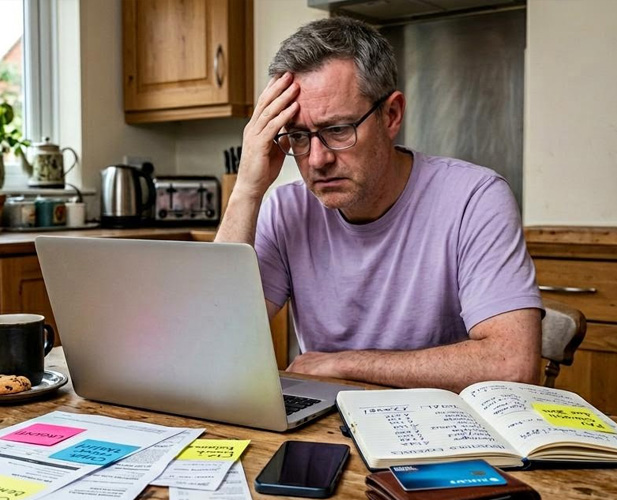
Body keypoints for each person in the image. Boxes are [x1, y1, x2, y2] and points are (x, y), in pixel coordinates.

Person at [215, 17, 542, 392]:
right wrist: (246, 189)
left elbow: (513, 364)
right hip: (329, 424)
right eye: (300, 137)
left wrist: (344, 363)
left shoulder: (474, 197)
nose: (317, 159)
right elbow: (215, 344)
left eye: (338, 129)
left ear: (391, 115)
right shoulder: (286, 209)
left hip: (442, 427)